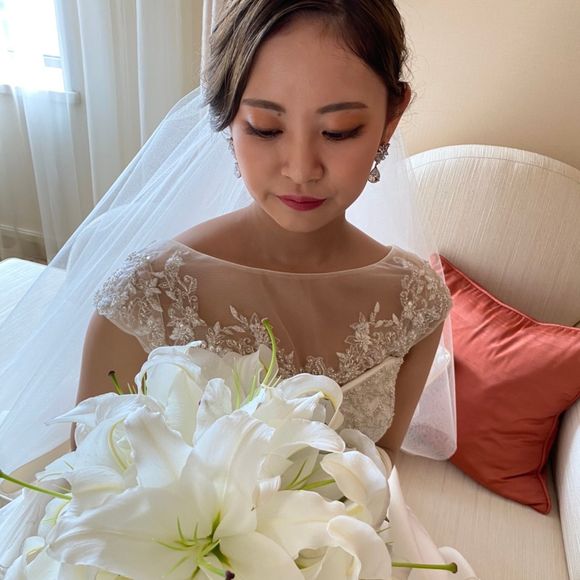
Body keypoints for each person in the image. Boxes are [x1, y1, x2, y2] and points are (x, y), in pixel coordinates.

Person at [1, 1, 476, 577]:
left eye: (339, 131)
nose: (300, 167)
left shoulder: (415, 302)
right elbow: (95, 495)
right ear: (228, 115)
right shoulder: (148, 295)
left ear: (391, 117)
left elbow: (377, 474)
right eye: (266, 128)